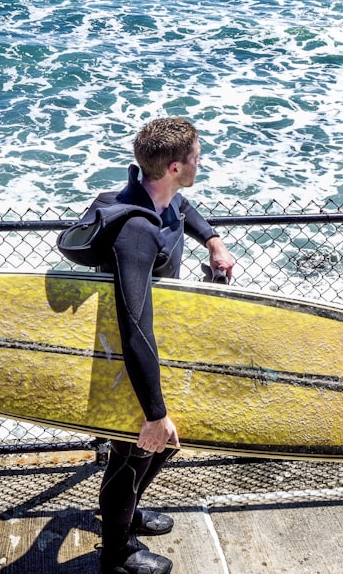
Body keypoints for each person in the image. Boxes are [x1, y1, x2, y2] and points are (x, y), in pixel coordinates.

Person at [74, 117, 235, 574]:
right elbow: (133, 325)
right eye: (196, 158)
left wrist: (213, 242)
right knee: (135, 449)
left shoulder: (158, 196)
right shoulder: (137, 232)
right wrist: (153, 411)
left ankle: (124, 517)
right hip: (128, 357)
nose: (201, 162)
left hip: (157, 346)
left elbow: (183, 209)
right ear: (175, 166)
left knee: (166, 445)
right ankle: (116, 553)